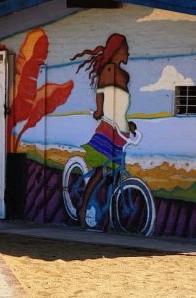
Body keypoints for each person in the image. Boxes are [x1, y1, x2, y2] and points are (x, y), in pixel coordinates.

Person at [71, 33, 138, 228]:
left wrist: (128, 124)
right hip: (109, 127)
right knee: (101, 171)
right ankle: (83, 207)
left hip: (120, 129)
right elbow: (101, 93)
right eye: (126, 49)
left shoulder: (123, 75)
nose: (128, 53)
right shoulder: (108, 70)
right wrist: (99, 110)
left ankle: (108, 215)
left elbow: (120, 106)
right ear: (117, 50)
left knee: (115, 174)